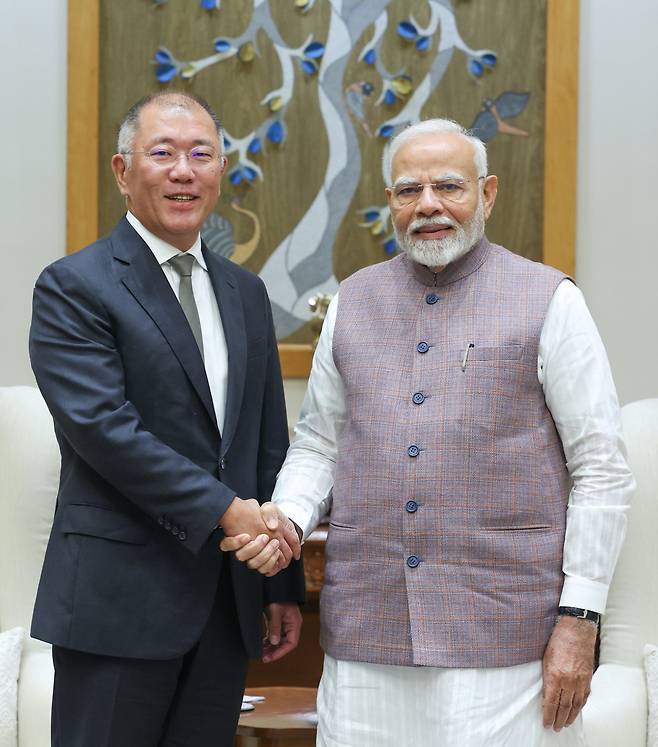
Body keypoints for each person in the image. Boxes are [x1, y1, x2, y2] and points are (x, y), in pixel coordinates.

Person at [221, 119, 635, 746]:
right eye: (408, 190)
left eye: (449, 186)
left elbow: (601, 468)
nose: (429, 205)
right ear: (390, 203)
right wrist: (289, 522)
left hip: (504, 635)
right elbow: (319, 444)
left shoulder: (549, 300)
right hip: (368, 634)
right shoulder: (353, 302)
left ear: (487, 193)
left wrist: (580, 621)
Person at [29, 91, 304, 747]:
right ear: (124, 173)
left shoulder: (247, 292)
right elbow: (105, 430)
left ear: (219, 173)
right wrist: (229, 512)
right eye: (163, 153)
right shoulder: (75, 285)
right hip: (116, 603)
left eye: (201, 154)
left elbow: (267, 440)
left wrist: (279, 583)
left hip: (224, 604)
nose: (184, 170)